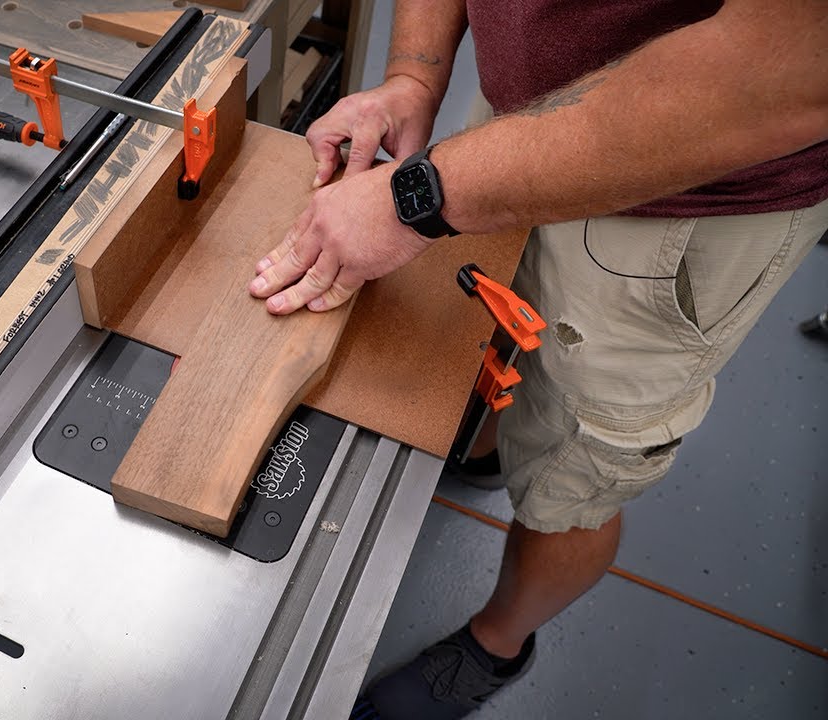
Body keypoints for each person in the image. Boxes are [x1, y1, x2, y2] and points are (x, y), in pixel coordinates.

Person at [246, 1, 828, 717]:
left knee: (575, 473)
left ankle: (497, 643)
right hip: (518, 120)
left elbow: (790, 69)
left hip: (687, 200)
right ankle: (486, 452)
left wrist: (417, 200)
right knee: (483, 324)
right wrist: (414, 79)